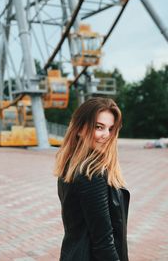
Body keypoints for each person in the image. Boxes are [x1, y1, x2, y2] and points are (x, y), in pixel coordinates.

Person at [54, 97, 130, 261]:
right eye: (99, 127)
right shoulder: (91, 174)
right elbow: (103, 242)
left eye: (110, 129)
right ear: (80, 128)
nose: (106, 135)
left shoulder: (70, 165)